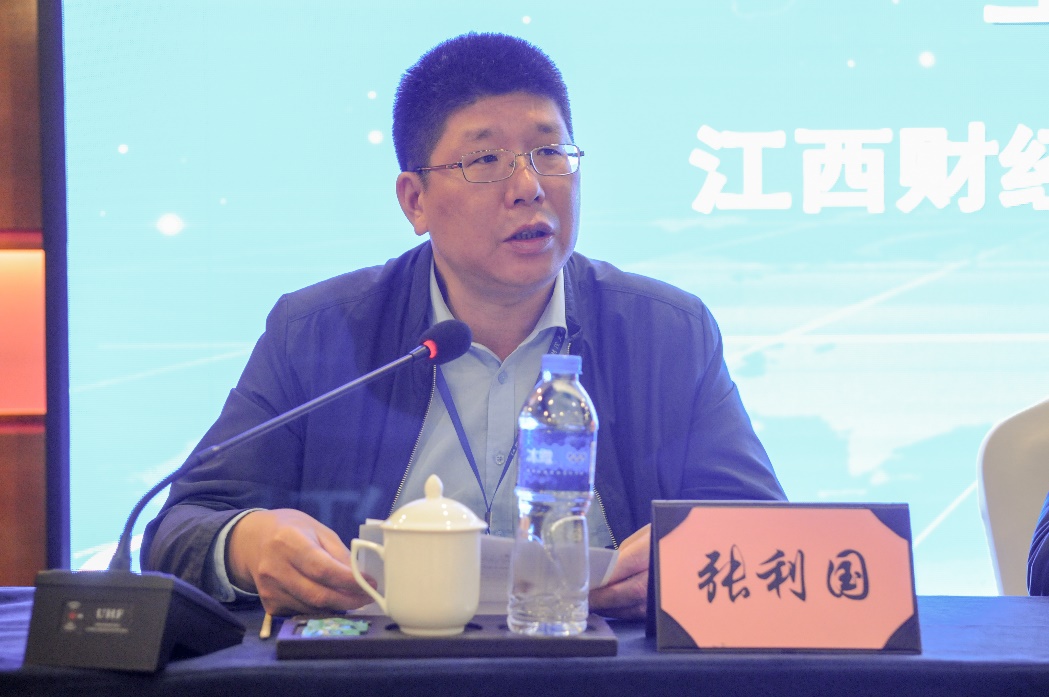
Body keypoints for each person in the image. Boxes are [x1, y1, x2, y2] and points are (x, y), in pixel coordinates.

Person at [141, 32, 786, 619]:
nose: (529, 186)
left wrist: (688, 559)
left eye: (550, 152)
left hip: (597, 666)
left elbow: (771, 535)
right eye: (485, 160)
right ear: (414, 201)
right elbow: (179, 527)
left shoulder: (667, 335)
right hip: (379, 675)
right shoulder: (316, 333)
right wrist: (250, 544)